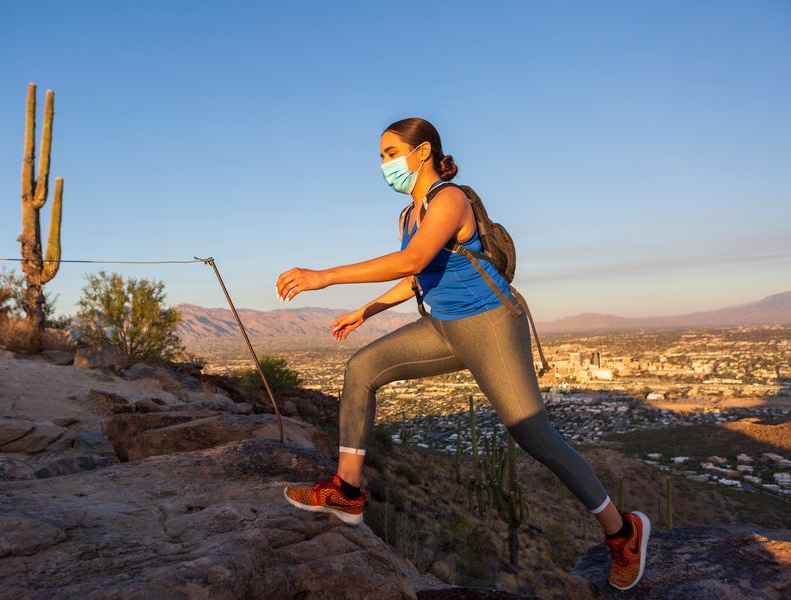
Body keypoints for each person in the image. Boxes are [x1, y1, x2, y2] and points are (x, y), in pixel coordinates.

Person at [277, 117, 649, 591]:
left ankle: (623, 532)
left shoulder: (449, 200)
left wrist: (323, 276)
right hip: (442, 328)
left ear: (423, 152)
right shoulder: (408, 216)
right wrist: (365, 312)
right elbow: (418, 275)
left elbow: (412, 260)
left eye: (391, 154)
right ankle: (347, 491)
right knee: (362, 368)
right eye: (381, 157)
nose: (385, 165)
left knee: (534, 436)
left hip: (491, 325)